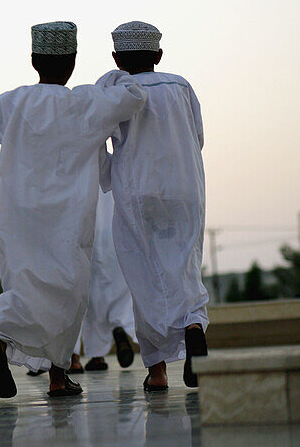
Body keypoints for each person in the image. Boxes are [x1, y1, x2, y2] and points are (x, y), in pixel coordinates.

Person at [0, 22, 146, 400]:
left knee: (23, 286)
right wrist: (113, 74)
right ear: (73, 62)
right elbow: (134, 97)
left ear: (33, 60)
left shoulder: (16, 101)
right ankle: (58, 377)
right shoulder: (86, 102)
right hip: (70, 219)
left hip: (20, 216)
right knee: (69, 293)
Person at [101, 21, 209, 391]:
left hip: (137, 191)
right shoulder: (180, 85)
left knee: (144, 275)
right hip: (185, 189)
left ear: (116, 58)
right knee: (185, 266)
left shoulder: (119, 90)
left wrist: (106, 179)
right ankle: (194, 324)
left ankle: (158, 370)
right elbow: (198, 137)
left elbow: (99, 138)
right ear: (159, 56)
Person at [76, 188, 137, 373]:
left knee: (90, 294)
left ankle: (93, 356)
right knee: (119, 287)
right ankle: (120, 327)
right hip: (115, 230)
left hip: (86, 227)